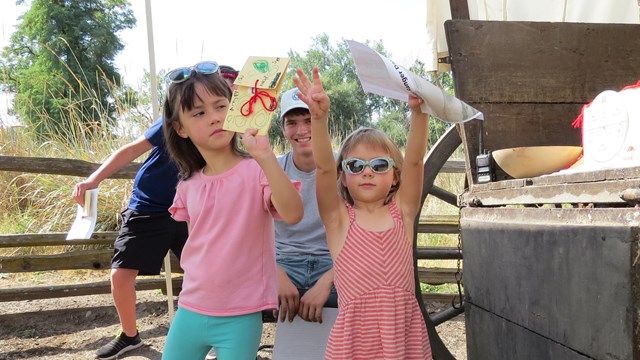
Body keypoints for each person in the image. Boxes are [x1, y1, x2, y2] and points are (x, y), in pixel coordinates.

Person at [160, 62, 303, 360]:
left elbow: (293, 213)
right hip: (190, 308)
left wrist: (264, 155)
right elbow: (198, 245)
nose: (214, 118)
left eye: (220, 106)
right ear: (180, 128)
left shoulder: (257, 170)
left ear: (235, 107)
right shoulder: (187, 185)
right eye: (199, 113)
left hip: (241, 314)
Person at [294, 67, 433, 359]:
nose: (367, 172)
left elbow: (417, 162)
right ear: (343, 176)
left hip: (403, 339)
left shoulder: (403, 212)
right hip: (354, 344)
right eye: (355, 166)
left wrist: (419, 114)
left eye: (379, 165)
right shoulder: (338, 219)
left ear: (395, 176)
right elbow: (323, 167)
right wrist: (319, 119)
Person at [72, 117, 187, 360]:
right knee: (120, 276)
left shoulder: (232, 124)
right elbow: (134, 149)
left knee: (209, 274)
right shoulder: (174, 115)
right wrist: (94, 179)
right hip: (148, 207)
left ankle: (220, 337)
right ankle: (129, 335)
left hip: (193, 209)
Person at [273, 87, 337, 324]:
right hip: (283, 262)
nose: (301, 130)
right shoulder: (272, 169)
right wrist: (275, 273)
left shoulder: (346, 168)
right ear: (283, 129)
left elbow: (361, 234)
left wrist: (329, 279)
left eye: (309, 120)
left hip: (333, 262)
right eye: (292, 122)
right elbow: (250, 231)